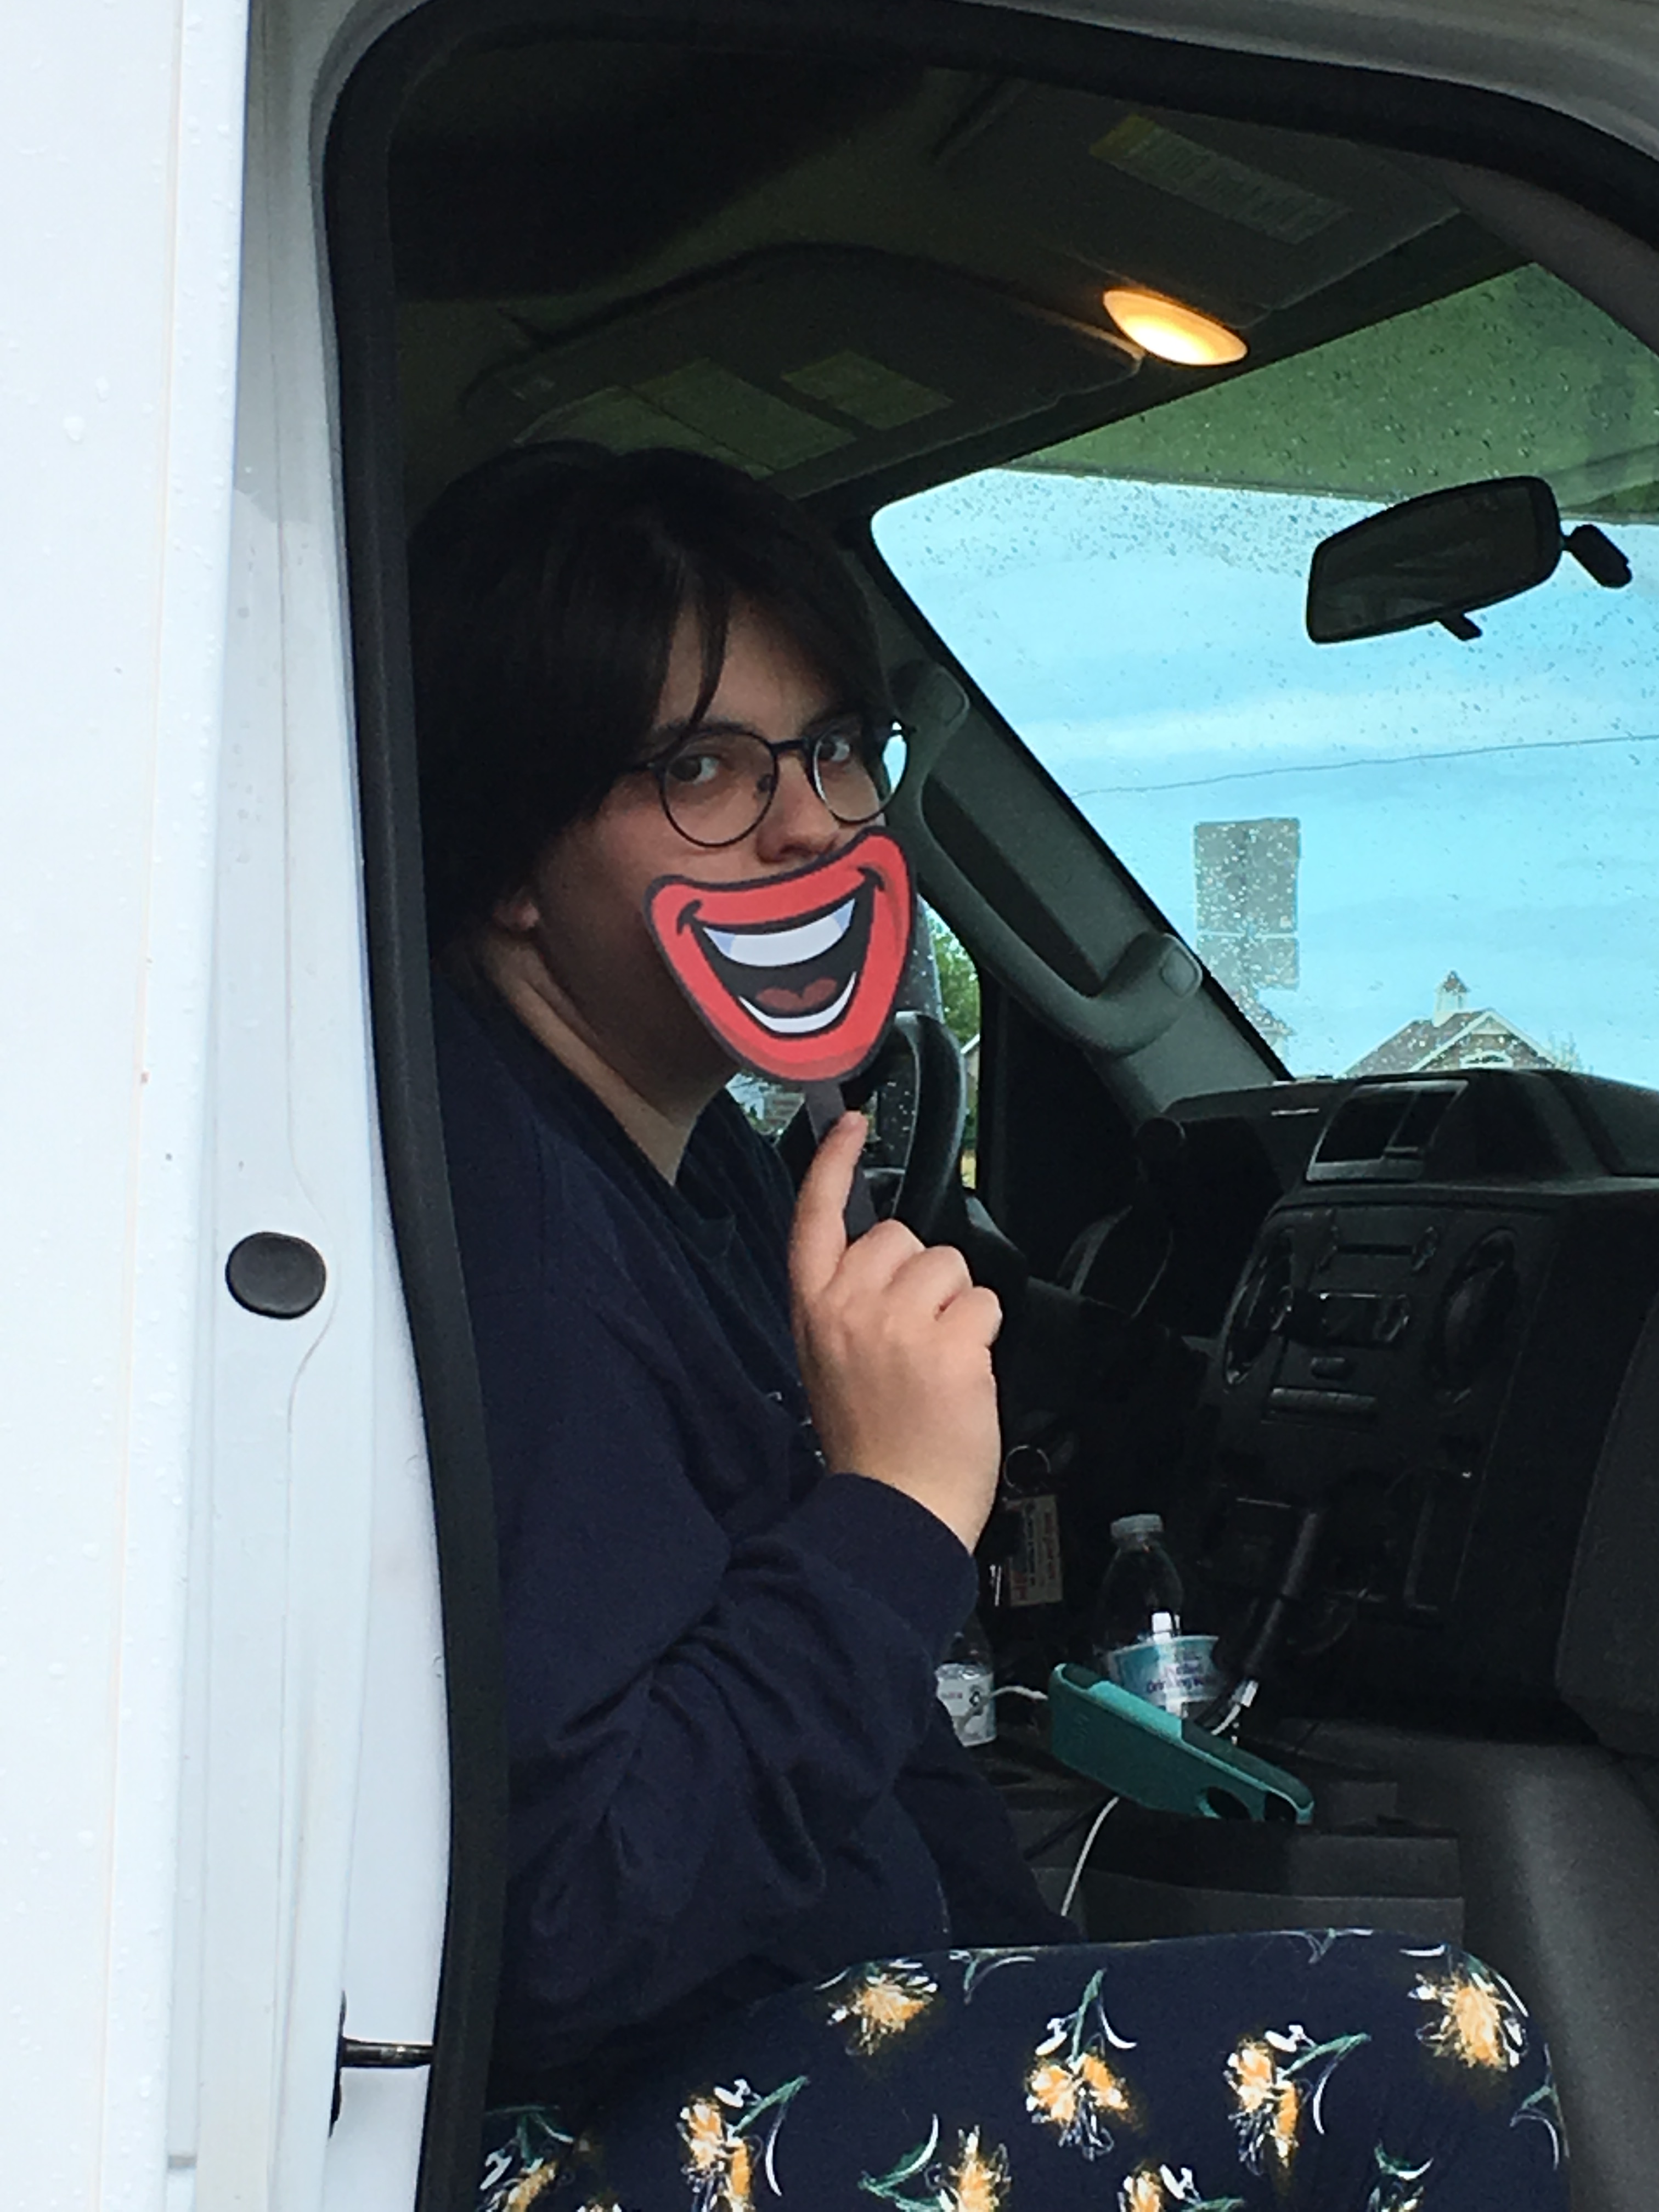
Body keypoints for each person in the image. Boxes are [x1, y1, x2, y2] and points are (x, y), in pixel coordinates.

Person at [410, 443, 1568, 2212]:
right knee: (1435, 2048)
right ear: (509, 853)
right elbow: (570, 1929)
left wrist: (1035, 1978)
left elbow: (865, 1757)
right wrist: (891, 1509)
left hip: (779, 2032)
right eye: (702, 768)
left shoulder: (690, 1166)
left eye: (832, 753)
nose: (810, 824)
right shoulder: (501, 1226)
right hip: (571, 2132)